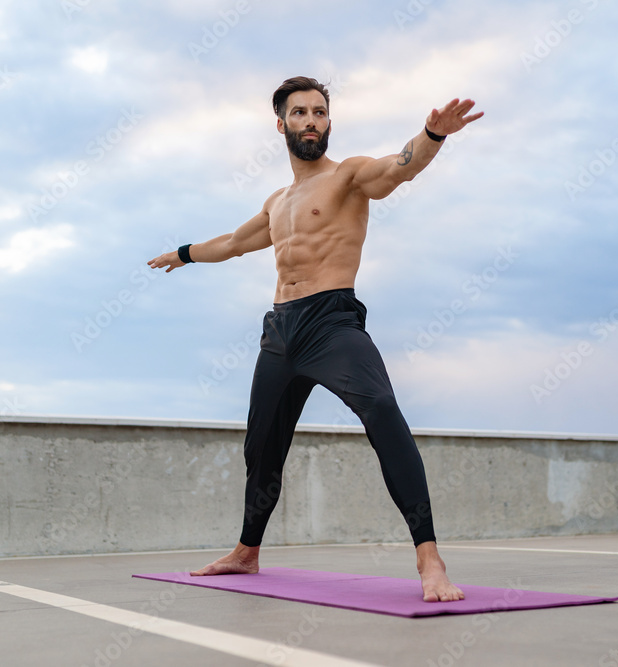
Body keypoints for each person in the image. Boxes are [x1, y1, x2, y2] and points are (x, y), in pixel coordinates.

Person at [148, 76, 482, 602]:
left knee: (382, 411)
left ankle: (429, 557)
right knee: (262, 445)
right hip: (281, 329)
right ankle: (247, 551)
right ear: (281, 123)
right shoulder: (277, 202)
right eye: (300, 112)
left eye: (320, 112)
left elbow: (398, 168)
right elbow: (234, 242)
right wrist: (185, 253)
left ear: (329, 122)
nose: (311, 120)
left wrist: (432, 136)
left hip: (331, 322)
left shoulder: (347, 176)